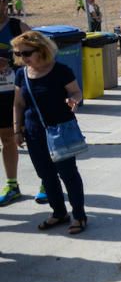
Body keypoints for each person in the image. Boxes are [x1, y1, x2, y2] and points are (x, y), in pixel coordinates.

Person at [12, 30, 87, 235]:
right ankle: (59, 213)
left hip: (59, 131)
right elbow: (18, 104)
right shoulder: (21, 74)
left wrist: (74, 100)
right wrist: (17, 130)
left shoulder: (60, 70)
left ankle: (79, 216)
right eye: (18, 54)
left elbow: (76, 91)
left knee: (68, 174)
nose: (22, 58)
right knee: (45, 175)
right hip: (34, 133)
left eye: (26, 53)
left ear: (41, 50)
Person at [0, 0, 31, 206]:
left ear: (4, 1)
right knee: (6, 139)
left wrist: (10, 62)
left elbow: (42, 55)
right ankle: (12, 184)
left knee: (23, 138)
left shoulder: (17, 27)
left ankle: (45, 184)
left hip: (14, 93)